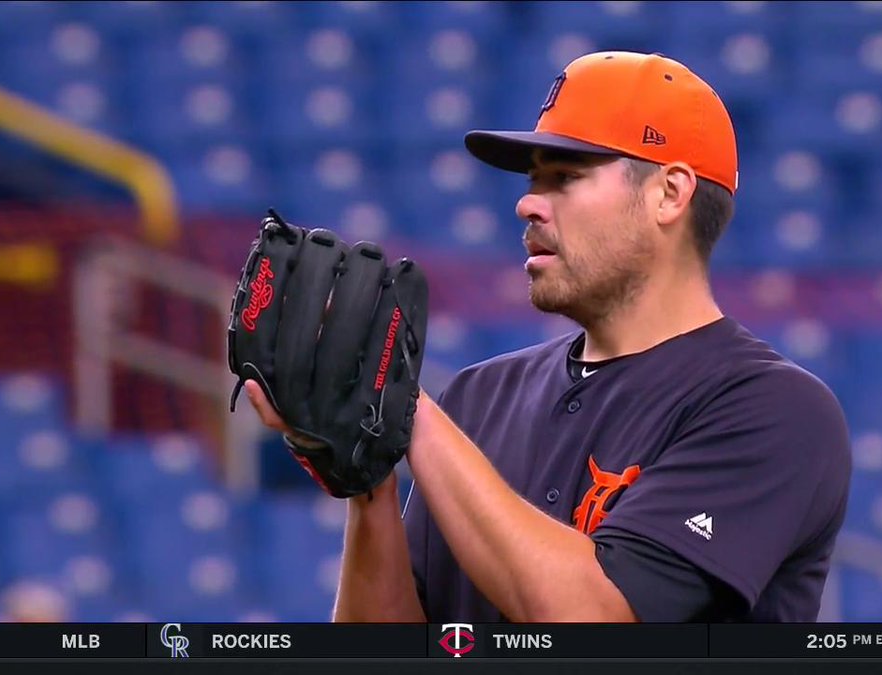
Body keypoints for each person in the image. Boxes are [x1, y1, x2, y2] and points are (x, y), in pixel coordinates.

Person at [245, 51, 851, 623]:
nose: (528, 204)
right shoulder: (480, 395)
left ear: (669, 193)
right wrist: (367, 483)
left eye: (564, 176)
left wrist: (404, 404)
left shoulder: (773, 410)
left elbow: (588, 619)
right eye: (534, 180)